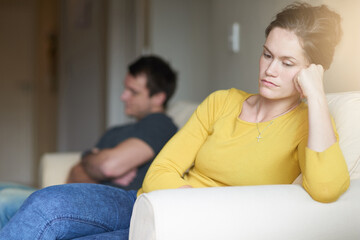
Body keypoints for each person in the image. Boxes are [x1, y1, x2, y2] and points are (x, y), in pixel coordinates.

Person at [0, 3, 350, 239]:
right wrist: (186, 195)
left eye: (288, 63)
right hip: (146, 202)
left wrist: (317, 96)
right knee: (46, 204)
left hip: (187, 227)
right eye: (267, 54)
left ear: (312, 71)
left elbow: (326, 189)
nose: (270, 70)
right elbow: (159, 171)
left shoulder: (312, 127)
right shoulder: (222, 102)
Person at [0, 55, 178, 229]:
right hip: (80, 197)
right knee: (2, 188)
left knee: (4, 201)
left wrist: (98, 163)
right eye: (125, 89)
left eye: (133, 92)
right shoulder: (116, 131)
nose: (124, 96)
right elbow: (74, 175)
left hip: (109, 206)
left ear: (158, 98)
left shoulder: (161, 125)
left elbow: (108, 166)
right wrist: (95, 163)